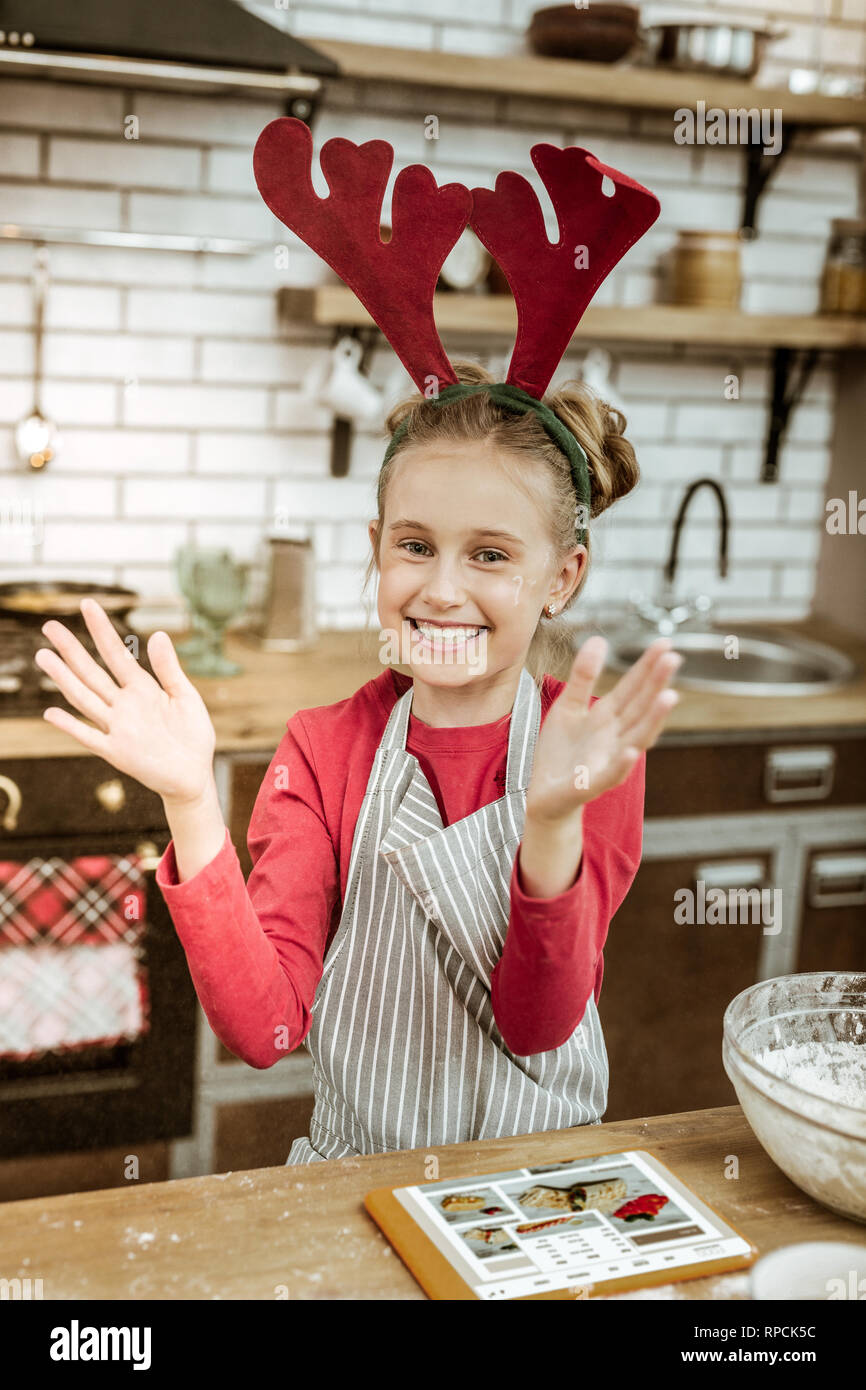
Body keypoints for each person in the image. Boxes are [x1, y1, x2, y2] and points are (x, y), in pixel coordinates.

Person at [34, 357, 681, 1166]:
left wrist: (549, 822)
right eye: (416, 546)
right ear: (378, 549)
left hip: (536, 1190)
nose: (442, 590)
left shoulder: (585, 747)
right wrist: (192, 801)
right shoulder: (324, 748)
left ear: (561, 577)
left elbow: (537, 1024)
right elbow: (263, 1032)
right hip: (356, 1184)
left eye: (489, 555)